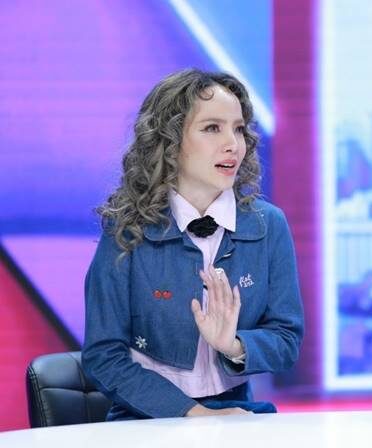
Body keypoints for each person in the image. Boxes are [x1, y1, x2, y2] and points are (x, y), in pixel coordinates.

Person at [82, 69, 304, 420]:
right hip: (146, 416)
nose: (233, 144)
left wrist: (233, 345)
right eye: (212, 128)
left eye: (238, 129)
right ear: (170, 142)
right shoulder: (126, 229)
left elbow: (286, 339)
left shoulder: (268, 225)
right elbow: (103, 356)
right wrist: (193, 414)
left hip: (237, 410)